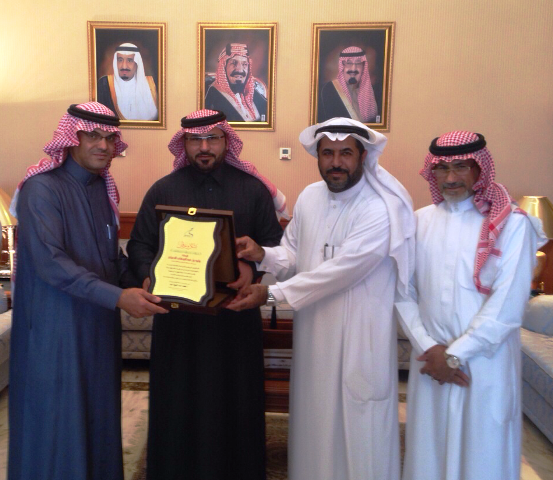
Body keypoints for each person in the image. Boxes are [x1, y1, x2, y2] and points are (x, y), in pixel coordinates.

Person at [228, 117, 415, 480]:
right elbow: (293, 253)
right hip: (314, 335)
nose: (335, 162)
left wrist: (271, 293)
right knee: (313, 423)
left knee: (360, 428)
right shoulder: (311, 197)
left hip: (360, 338)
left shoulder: (380, 207)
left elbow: (342, 271)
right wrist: (262, 254)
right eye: (327, 153)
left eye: (346, 153)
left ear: (363, 156)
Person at [8, 102, 168, 480]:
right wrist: (118, 297)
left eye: (110, 137)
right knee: (57, 420)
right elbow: (51, 262)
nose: (104, 145)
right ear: (71, 138)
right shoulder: (41, 188)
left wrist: (143, 279)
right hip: (55, 329)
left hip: (98, 326)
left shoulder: (101, 189)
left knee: (98, 415)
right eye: (92, 135)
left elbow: (110, 258)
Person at [127, 109, 286, 480]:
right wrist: (149, 276)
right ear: (183, 144)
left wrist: (251, 270)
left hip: (233, 318)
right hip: (178, 321)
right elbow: (139, 245)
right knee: (178, 400)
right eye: (195, 140)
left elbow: (274, 244)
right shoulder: (163, 190)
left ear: (226, 140)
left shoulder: (252, 189)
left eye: (212, 138)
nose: (204, 147)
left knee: (235, 400)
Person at [395, 131, 547, 480]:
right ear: (431, 172)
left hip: (484, 363)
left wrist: (454, 355)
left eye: (461, 167)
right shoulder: (418, 222)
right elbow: (403, 292)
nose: (450, 178)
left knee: (482, 455)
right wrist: (430, 348)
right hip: (431, 362)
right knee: (428, 453)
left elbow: (508, 306)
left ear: (480, 168)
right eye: (442, 168)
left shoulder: (514, 225)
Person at [205, 43, 268, 122]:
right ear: (223, 68)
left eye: (244, 64)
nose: (240, 70)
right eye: (233, 63)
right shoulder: (213, 97)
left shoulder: (250, 91)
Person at [97, 42, 158, 121]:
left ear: (137, 63)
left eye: (130, 60)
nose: (124, 66)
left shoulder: (152, 84)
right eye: (120, 60)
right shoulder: (104, 84)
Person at [318, 46, 378, 123]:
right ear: (342, 66)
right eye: (349, 63)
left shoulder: (370, 93)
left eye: (358, 63)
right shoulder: (330, 89)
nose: (353, 68)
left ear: (363, 67)